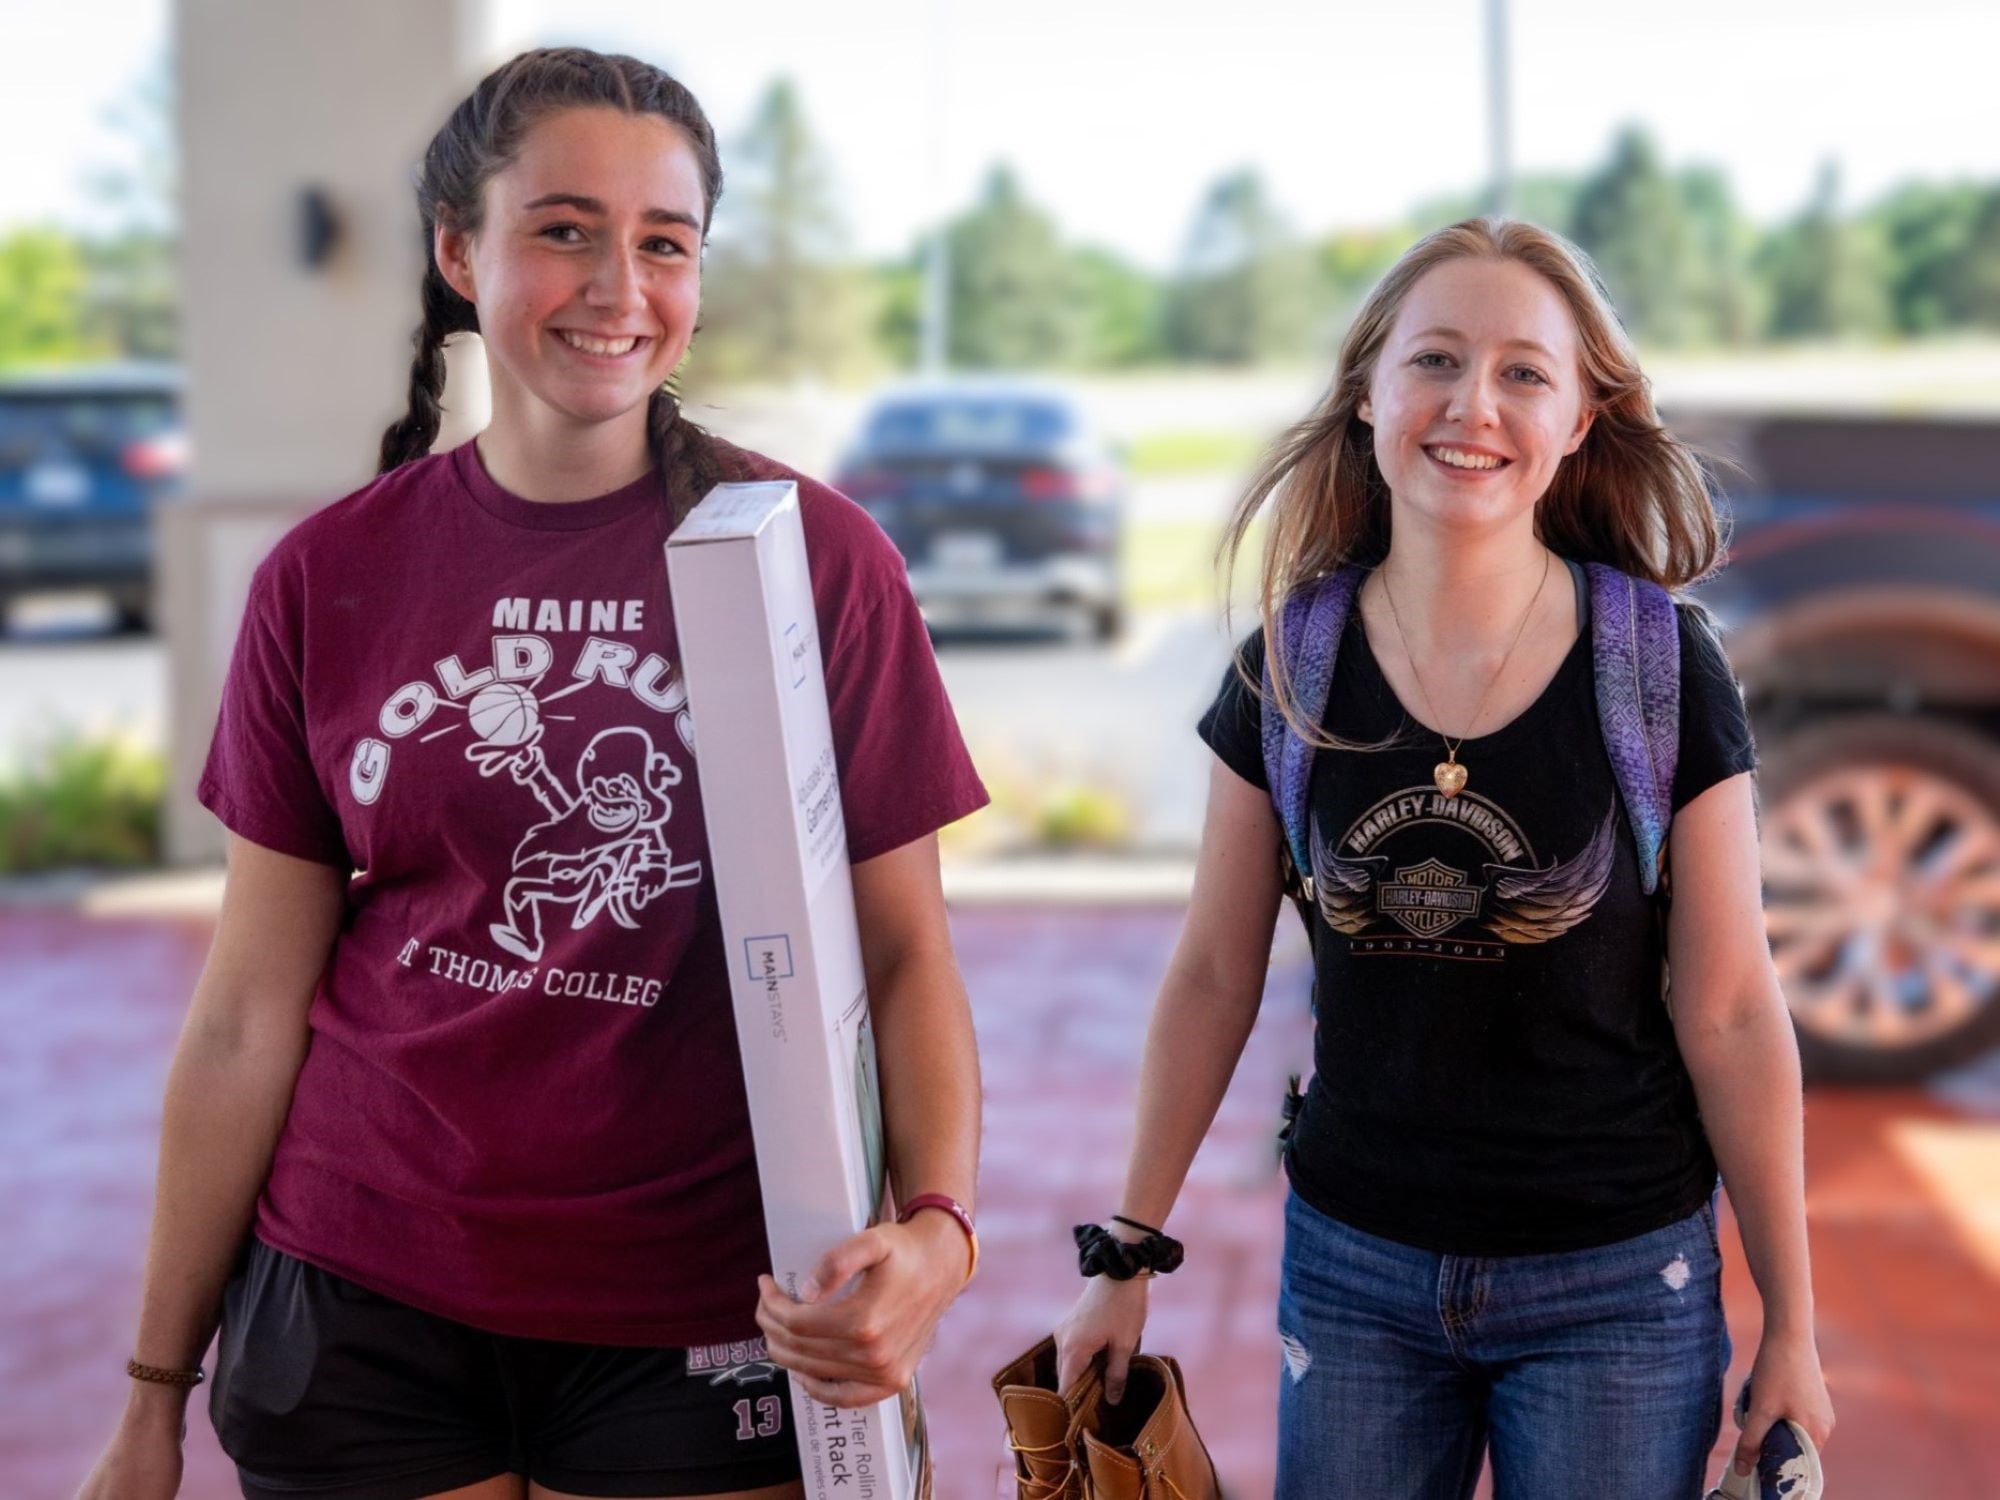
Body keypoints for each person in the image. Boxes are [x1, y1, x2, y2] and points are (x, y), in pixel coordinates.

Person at [78, 47, 987, 1500]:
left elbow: (902, 953)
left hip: (703, 1312)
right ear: (459, 253)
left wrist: (937, 1228)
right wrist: (150, 1397)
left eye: (663, 243)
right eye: (564, 229)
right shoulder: (331, 574)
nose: (619, 286)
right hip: (358, 1288)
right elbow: (250, 1012)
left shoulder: (809, 562)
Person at [1055, 219, 1833, 1499]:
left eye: (1525, 371)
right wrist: (1124, 1253)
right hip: (1355, 1273)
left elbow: (1734, 1009)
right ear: (1367, 393)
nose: (1473, 405)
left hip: (1616, 1285)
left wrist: (1792, 1326)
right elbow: (1209, 975)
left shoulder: (1657, 670)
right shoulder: (1283, 669)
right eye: (1435, 360)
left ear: (1580, 418)